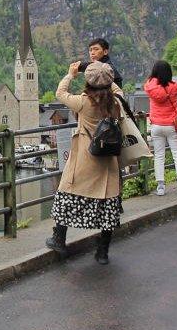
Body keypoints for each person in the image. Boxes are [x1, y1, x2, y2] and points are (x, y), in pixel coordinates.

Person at [45, 61, 122, 265]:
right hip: (108, 161)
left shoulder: (83, 102)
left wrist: (71, 74)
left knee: (67, 194)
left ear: (89, 82)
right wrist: (106, 76)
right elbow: (117, 90)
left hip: (85, 159)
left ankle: (59, 239)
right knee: (108, 204)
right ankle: (103, 251)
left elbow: (60, 93)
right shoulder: (116, 102)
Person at [144, 60, 177, 196]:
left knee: (159, 156)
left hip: (156, 125)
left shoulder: (150, 86)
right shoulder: (174, 87)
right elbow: (176, 87)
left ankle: (160, 187)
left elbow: (149, 84)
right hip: (172, 125)